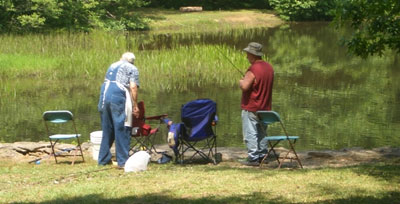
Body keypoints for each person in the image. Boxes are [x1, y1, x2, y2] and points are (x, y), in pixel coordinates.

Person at [97, 52, 140, 168]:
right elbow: (133, 87)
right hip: (117, 96)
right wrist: (135, 105)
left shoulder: (112, 65)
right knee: (122, 127)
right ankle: (122, 161)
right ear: (132, 61)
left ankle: (103, 159)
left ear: (122, 58)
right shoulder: (132, 68)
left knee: (107, 128)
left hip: (104, 95)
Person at [239, 42, 274, 166]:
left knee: (251, 132)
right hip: (265, 107)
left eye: (247, 54)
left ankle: (253, 158)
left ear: (252, 54)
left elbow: (245, 86)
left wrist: (241, 81)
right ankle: (263, 155)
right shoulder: (269, 67)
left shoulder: (253, 68)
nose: (247, 56)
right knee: (262, 132)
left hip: (252, 107)